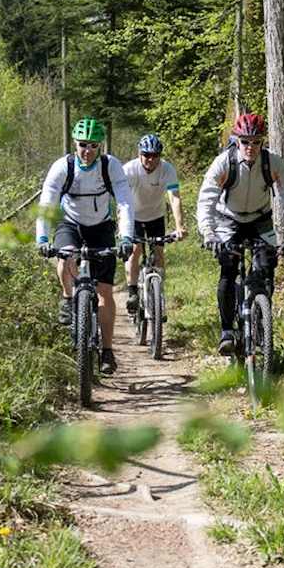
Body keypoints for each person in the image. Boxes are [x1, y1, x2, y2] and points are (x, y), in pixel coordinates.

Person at [195, 113, 284, 356]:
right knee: (228, 269)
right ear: (236, 140)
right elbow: (206, 199)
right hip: (228, 220)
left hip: (260, 220)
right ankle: (227, 331)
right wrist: (208, 232)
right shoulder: (224, 162)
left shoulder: (272, 162)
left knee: (267, 268)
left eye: (256, 141)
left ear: (262, 142)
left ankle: (260, 321)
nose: (251, 147)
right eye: (245, 141)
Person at [36, 118, 134, 375]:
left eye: (92, 145)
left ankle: (108, 351)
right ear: (75, 144)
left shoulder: (110, 167)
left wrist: (126, 237)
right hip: (70, 223)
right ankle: (68, 298)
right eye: (82, 145)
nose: (87, 150)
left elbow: (124, 203)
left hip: (101, 227)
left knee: (104, 292)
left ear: (100, 146)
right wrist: (43, 239)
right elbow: (47, 204)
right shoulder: (62, 167)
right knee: (65, 256)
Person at [123, 134, 188, 315]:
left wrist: (179, 226)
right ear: (139, 153)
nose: (151, 159)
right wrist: (122, 227)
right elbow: (121, 200)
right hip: (133, 217)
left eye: (155, 155)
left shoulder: (167, 169)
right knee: (135, 250)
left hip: (156, 216)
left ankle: (159, 295)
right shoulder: (129, 170)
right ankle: (132, 293)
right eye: (146, 155)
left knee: (158, 254)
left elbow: (174, 198)